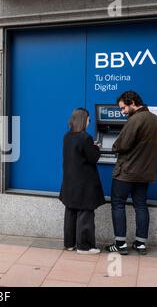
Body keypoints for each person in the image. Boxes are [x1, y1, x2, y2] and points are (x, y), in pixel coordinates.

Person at [105, 91, 157, 255]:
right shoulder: (154, 119)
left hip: (127, 172)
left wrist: (114, 146)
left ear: (132, 102)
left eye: (123, 108)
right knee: (141, 205)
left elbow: (121, 145)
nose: (122, 112)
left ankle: (120, 244)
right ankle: (141, 243)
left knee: (118, 204)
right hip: (144, 173)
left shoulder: (135, 119)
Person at [59, 108, 105, 255]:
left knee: (71, 212)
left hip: (70, 182)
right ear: (83, 120)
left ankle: (69, 244)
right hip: (84, 183)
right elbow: (93, 158)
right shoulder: (85, 137)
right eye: (88, 119)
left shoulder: (67, 136)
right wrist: (96, 148)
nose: (89, 121)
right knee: (85, 213)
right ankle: (84, 246)